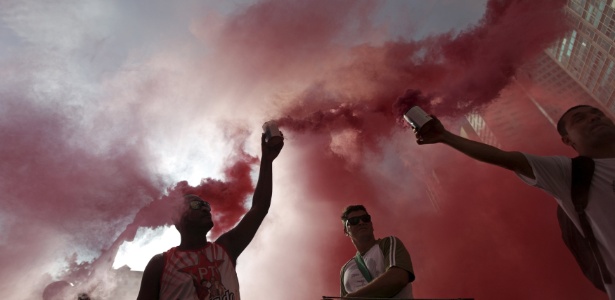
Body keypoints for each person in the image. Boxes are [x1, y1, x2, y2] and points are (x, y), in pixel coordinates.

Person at [415, 104, 615, 298]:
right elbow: (505, 158)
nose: (594, 117)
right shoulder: (568, 173)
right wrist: (445, 137)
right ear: (567, 140)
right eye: (580, 119)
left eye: (597, 113)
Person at [137, 132, 284, 300]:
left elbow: (260, 207)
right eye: (195, 205)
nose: (205, 208)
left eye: (206, 205)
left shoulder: (226, 248)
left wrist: (267, 161)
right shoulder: (159, 265)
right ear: (177, 219)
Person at [339, 205, 415, 298]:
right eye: (354, 221)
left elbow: (398, 278)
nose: (361, 222)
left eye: (365, 218)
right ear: (346, 231)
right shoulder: (345, 270)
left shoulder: (388, 243)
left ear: (371, 224)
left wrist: (355, 297)